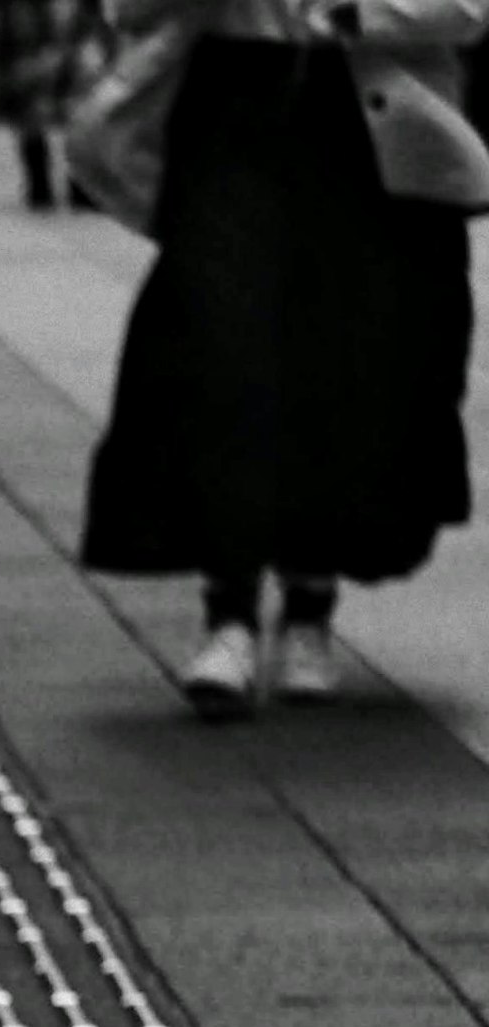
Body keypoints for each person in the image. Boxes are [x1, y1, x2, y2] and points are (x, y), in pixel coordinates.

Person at [77, 0, 489, 713]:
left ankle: (310, 606)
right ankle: (228, 611)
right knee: (218, 351)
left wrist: (357, 12)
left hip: (363, 130)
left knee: (349, 367)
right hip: (232, 107)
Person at [0, 0, 102, 204]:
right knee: (38, 117)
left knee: (71, 116)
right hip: (30, 49)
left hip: (57, 52)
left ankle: (62, 186)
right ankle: (48, 185)